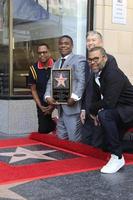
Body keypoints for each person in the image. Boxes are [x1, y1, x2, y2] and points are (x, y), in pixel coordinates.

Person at [85, 46, 133, 173]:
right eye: (90, 60)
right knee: (106, 146)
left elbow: (109, 102)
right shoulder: (97, 75)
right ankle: (115, 151)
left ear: (104, 58)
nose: (92, 62)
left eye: (96, 59)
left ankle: (117, 157)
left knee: (105, 115)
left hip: (129, 110)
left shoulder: (113, 73)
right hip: (121, 112)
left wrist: (92, 110)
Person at [80, 31, 118, 147]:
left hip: (100, 110)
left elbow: (110, 88)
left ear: (101, 42)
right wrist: (83, 109)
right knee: (86, 142)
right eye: (88, 40)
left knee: (97, 144)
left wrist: (101, 110)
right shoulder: (87, 62)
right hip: (88, 109)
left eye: (93, 40)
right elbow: (86, 88)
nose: (90, 43)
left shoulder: (109, 60)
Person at [44, 35, 86, 142]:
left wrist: (74, 97)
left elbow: (82, 81)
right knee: (61, 140)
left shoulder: (79, 59)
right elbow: (50, 82)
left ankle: (76, 159)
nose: (63, 45)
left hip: (72, 109)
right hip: (60, 109)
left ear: (72, 46)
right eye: (61, 43)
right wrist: (48, 96)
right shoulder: (56, 63)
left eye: (66, 43)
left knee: (74, 141)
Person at [28, 43, 56, 133]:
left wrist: (53, 105)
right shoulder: (33, 69)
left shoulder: (57, 65)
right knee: (43, 130)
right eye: (40, 53)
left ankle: (57, 123)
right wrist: (40, 106)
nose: (42, 55)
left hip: (59, 100)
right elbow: (33, 89)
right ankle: (54, 124)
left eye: (44, 52)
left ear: (49, 52)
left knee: (66, 129)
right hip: (42, 102)